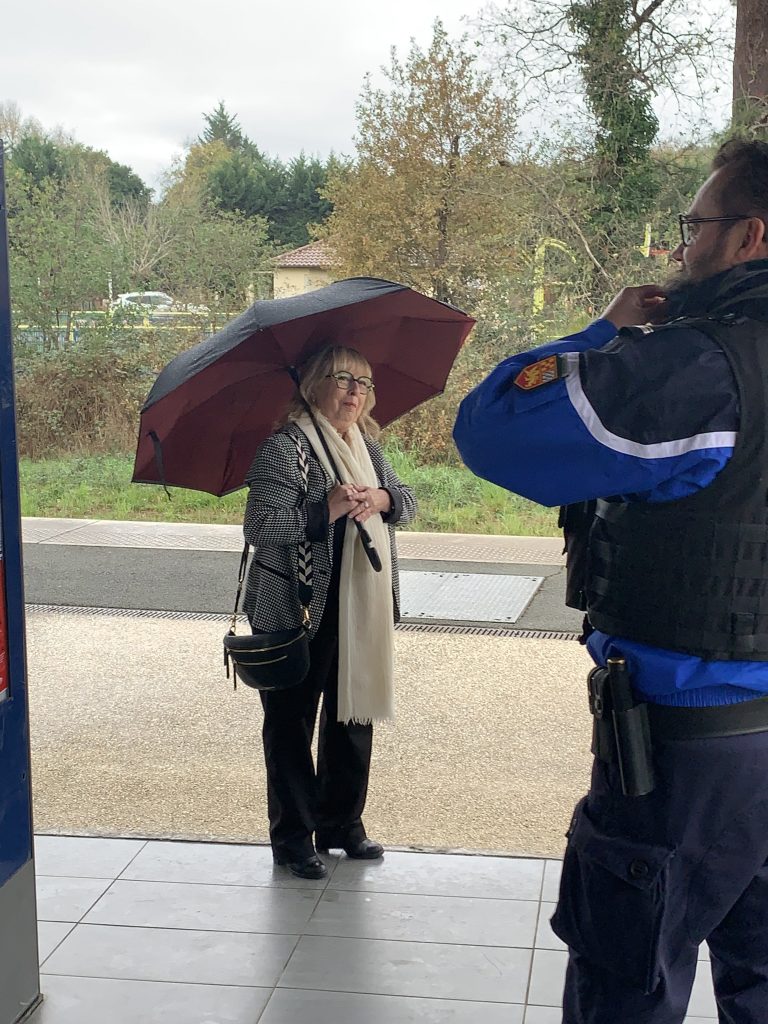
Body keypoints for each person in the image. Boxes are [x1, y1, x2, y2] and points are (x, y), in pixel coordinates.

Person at [453, 138, 768, 1023]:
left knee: (625, 983)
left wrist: (603, 330)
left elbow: (493, 429)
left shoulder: (698, 371)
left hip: (688, 750)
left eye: (695, 225)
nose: (681, 246)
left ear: (751, 236)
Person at [242, 345, 417, 880]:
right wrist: (329, 509)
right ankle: (293, 838)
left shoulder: (365, 445)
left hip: (359, 606)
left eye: (363, 383)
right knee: (291, 725)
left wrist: (382, 499)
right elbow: (260, 528)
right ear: (313, 384)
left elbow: (407, 502)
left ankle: (342, 825)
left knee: (352, 715)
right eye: (342, 379)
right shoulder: (285, 447)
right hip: (298, 609)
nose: (354, 392)